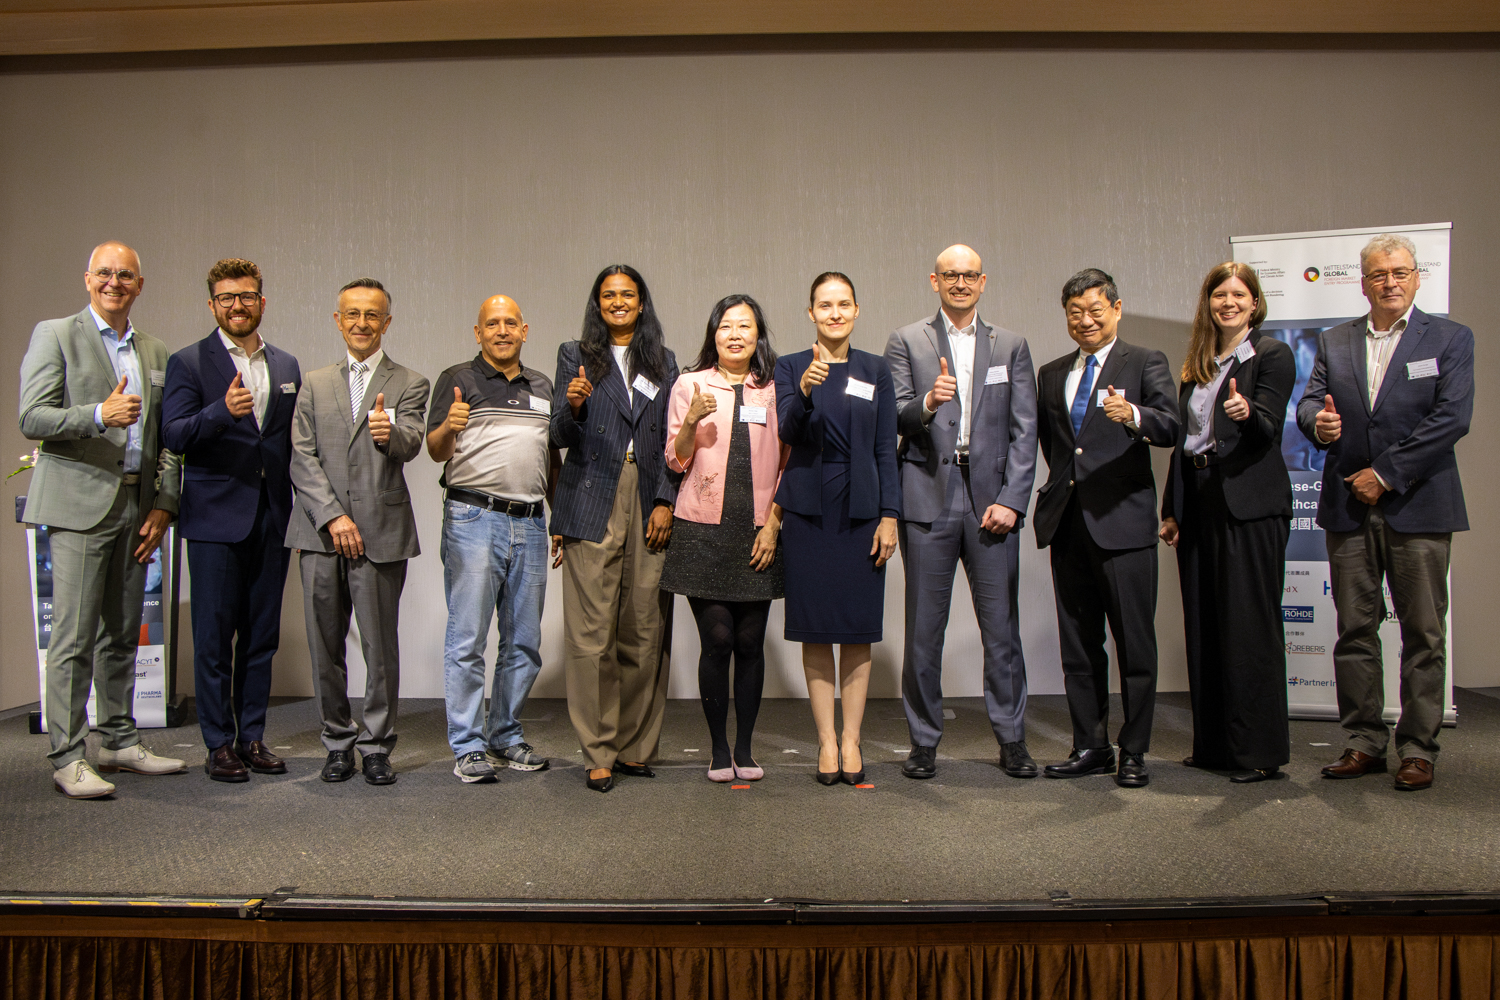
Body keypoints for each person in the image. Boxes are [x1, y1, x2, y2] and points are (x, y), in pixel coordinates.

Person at [1296, 233, 1473, 792]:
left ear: (1417, 277)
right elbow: (1309, 402)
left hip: (1419, 504)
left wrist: (1388, 473)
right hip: (1348, 505)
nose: (1389, 282)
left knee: (1423, 632)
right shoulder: (1335, 340)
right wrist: (1315, 425)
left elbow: (1452, 418)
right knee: (1354, 632)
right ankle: (1363, 742)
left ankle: (1418, 749)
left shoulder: (1449, 337)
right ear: (1363, 281)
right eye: (1378, 274)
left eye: (1399, 272)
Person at [18, 241, 185, 798]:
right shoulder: (56, 334)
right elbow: (31, 415)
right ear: (88, 279)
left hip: (138, 507)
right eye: (106, 273)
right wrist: (97, 414)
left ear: (140, 285)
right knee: (74, 636)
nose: (115, 282)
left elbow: (165, 438)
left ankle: (116, 739)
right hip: (78, 505)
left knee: (122, 630)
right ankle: (68, 756)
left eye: (127, 275)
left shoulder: (155, 350)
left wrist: (164, 502)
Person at [884, 244, 1039, 781]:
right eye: (949, 274)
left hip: (992, 500)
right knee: (924, 632)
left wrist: (1013, 500)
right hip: (928, 496)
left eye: (968, 275)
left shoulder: (1012, 345)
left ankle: (1012, 739)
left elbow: (1026, 431)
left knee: (1002, 631)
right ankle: (924, 741)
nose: (959, 282)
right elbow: (897, 415)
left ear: (983, 281)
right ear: (934, 280)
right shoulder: (907, 340)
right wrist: (928, 402)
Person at [1033, 268, 1177, 788]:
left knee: (1134, 645)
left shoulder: (1144, 361)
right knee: (1079, 646)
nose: (1086, 320)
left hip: (1124, 524)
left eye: (1096, 310)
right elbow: (1054, 448)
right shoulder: (1051, 373)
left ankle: (1133, 750)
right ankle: (1089, 744)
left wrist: (1132, 413)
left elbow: (1171, 426)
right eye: (1076, 312)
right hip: (1069, 527)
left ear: (1117, 309)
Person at [161, 259, 301, 783]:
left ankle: (253, 737)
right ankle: (218, 743)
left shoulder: (286, 365)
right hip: (215, 521)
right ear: (213, 305)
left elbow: (288, 443)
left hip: (273, 517)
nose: (237, 306)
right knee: (215, 638)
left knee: (261, 637)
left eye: (246, 297)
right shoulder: (189, 363)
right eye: (226, 298)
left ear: (262, 302)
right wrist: (221, 412)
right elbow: (173, 435)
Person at [285, 278, 429, 786]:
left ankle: (376, 746)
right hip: (319, 533)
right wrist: (332, 516)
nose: (362, 323)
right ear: (337, 319)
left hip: (381, 533)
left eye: (372, 315)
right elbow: (300, 457)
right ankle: (337, 743)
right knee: (325, 645)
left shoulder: (410, 381)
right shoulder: (315, 381)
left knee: (379, 646)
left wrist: (393, 435)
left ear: (386, 322)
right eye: (353, 314)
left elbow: (412, 441)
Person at [1159, 262, 1294, 783]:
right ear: (1208, 302)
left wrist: (1245, 414)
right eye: (1220, 294)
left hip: (1250, 503)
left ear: (1255, 303)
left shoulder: (1271, 355)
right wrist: (1171, 509)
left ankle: (1258, 751)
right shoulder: (1199, 360)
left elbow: (1270, 427)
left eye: (1239, 294)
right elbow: (1184, 441)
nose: (1229, 302)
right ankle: (1215, 744)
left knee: (1249, 629)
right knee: (1206, 624)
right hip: (1200, 499)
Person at [550, 265, 680, 793]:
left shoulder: (664, 361)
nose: (619, 302)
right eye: (609, 295)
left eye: (628, 294)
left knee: (645, 629)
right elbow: (557, 432)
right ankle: (598, 749)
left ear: (642, 303)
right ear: (597, 304)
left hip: (648, 497)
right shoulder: (573, 355)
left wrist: (666, 500)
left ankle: (634, 747)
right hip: (590, 497)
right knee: (590, 634)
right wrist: (575, 405)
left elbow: (676, 437)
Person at [427, 295, 560, 784]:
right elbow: (436, 450)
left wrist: (558, 517)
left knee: (523, 641)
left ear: (525, 330)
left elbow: (550, 458)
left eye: (510, 323)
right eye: (492, 324)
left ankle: (504, 735)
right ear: (477, 332)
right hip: (473, 517)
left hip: (529, 521)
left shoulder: (543, 385)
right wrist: (449, 426)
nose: (501, 331)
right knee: (468, 638)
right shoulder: (457, 379)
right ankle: (467, 746)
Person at [774, 272, 900, 786]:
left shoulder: (877, 369)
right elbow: (786, 431)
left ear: (856, 310)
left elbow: (886, 449)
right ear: (810, 313)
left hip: (863, 511)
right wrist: (803, 393)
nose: (834, 313)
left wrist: (890, 515)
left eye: (843, 304)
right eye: (824, 305)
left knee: (856, 632)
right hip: (806, 512)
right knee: (816, 631)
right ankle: (826, 740)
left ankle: (852, 740)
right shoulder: (790, 367)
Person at [661, 294, 787, 782]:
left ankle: (746, 748)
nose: (735, 334)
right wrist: (691, 419)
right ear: (713, 334)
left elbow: (789, 461)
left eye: (745, 326)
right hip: (701, 529)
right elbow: (675, 460)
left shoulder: (774, 388)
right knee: (717, 640)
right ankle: (717, 749)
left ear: (758, 335)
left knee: (751, 641)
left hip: (759, 528)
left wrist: (774, 525)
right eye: (725, 326)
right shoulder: (690, 383)